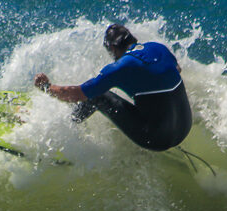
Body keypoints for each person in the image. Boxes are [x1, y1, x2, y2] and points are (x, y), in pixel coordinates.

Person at [34, 24, 192, 152]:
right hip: (185, 128)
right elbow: (177, 69)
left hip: (156, 139)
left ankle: (63, 130)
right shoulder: (158, 48)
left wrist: (47, 86)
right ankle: (164, 125)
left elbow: (77, 94)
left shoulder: (119, 68)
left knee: (98, 96)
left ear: (114, 49)